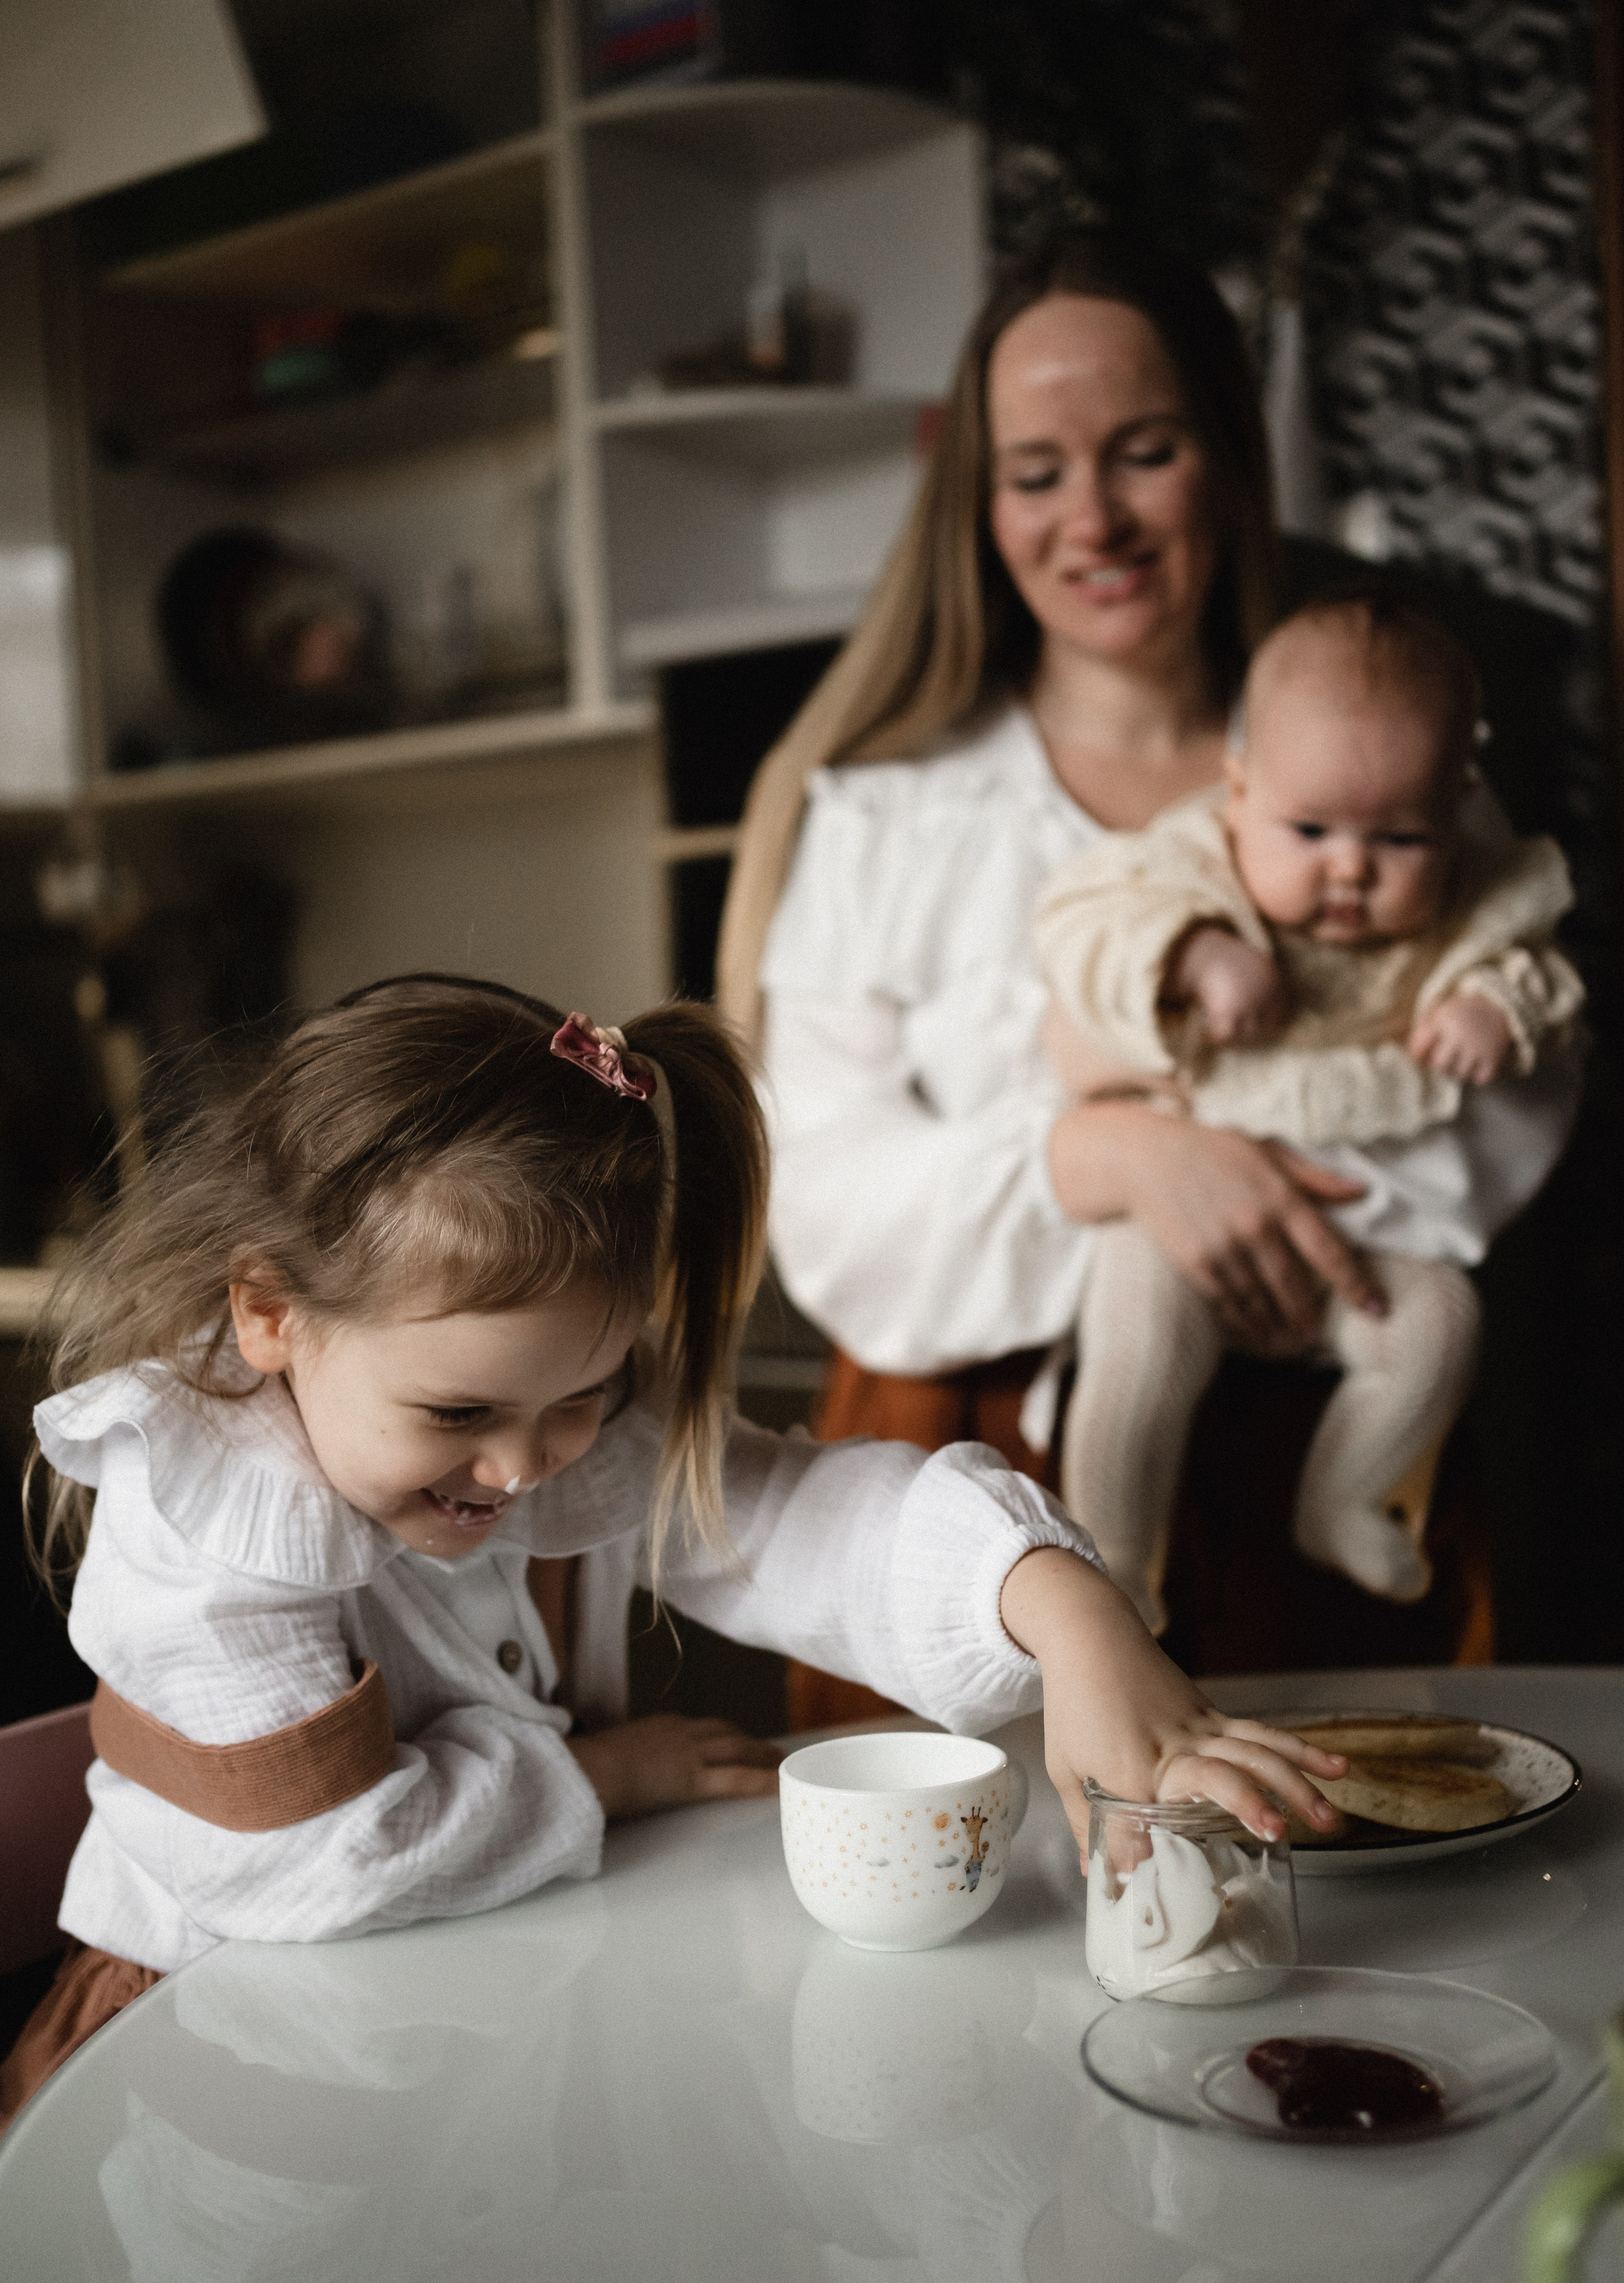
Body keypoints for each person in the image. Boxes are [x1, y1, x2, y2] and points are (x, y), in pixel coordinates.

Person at [0, 974, 1342, 2131]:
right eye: (458, 1414)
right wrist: (609, 1775)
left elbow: (794, 1525)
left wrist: (1063, 1611)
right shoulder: (202, 1524)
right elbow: (328, 1864)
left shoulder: (537, 1435)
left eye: (581, 1398)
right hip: (230, 2080)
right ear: (269, 1315)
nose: (524, 1468)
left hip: (476, 2030)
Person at [717, 230, 1578, 1709]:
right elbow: (831, 1197)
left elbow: (1511, 1100)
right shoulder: (882, 814)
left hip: (1319, 1429)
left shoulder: (1385, 773)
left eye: (1145, 450)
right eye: (1034, 471)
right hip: (963, 1489)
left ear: (1230, 461)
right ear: (977, 505)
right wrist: (1104, 1159)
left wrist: (1272, 1217)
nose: (1092, 518)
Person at [1033, 593, 1583, 1632]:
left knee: (1441, 1325)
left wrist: (1494, 1010)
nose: (1350, 868)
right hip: (1176, 1223)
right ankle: (1113, 1567)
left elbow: (1539, 973)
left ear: (1458, 808)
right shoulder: (1188, 865)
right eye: (1311, 829)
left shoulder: (1475, 898)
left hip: (1364, 1242)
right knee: (1138, 1346)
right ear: (1238, 792)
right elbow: (1084, 931)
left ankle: (1341, 1496)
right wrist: (1190, 955)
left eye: (1401, 837)